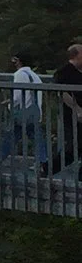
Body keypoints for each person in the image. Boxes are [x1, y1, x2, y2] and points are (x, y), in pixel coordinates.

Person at [0, 52, 46, 167]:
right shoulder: (34, 75)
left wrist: (7, 103)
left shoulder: (20, 74)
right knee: (36, 137)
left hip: (23, 112)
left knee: (12, 135)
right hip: (34, 112)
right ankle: (43, 161)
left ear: (19, 61)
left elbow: (17, 96)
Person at [51, 42, 82, 177]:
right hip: (71, 115)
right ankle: (47, 168)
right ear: (75, 55)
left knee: (78, 146)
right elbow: (61, 91)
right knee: (75, 146)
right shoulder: (64, 71)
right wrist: (76, 108)